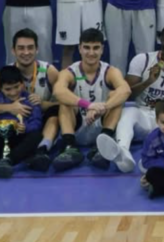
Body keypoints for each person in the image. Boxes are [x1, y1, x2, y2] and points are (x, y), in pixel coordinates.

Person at [98, 23, 164, 173]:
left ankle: (152, 161)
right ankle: (122, 153)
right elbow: (127, 93)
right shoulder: (143, 59)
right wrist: (148, 81)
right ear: (160, 39)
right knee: (128, 112)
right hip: (142, 115)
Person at [0, 29, 61, 172]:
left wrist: (43, 104)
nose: (26, 52)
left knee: (55, 115)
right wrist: (9, 107)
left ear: (37, 49)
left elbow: (67, 104)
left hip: (35, 127)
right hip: (8, 125)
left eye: (30, 47)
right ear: (13, 50)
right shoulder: (4, 73)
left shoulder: (49, 71)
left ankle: (40, 151)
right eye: (21, 48)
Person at [49, 28, 132, 171]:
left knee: (116, 97)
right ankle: (70, 147)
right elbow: (58, 91)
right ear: (79, 49)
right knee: (64, 101)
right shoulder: (69, 72)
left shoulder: (110, 71)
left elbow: (126, 90)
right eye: (86, 47)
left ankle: (102, 147)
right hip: (77, 125)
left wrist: (103, 107)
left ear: (102, 49)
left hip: (101, 124)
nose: (91, 53)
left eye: (96, 48)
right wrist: (89, 105)